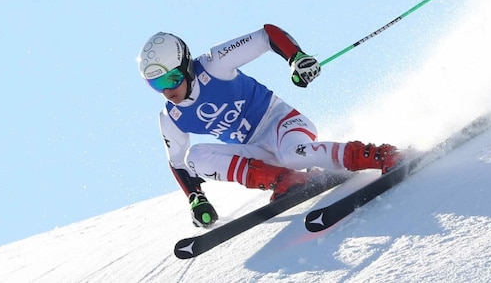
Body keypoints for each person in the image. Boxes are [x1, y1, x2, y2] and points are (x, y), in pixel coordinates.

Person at [137, 24, 402, 228]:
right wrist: (196, 198)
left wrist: (296, 58)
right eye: (157, 85)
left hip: (282, 124)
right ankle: (285, 179)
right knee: (195, 157)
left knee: (292, 153)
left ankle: (380, 155)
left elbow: (266, 36)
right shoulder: (170, 117)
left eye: (171, 78)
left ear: (185, 66)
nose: (167, 90)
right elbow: (177, 162)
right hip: (257, 151)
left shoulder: (214, 64)